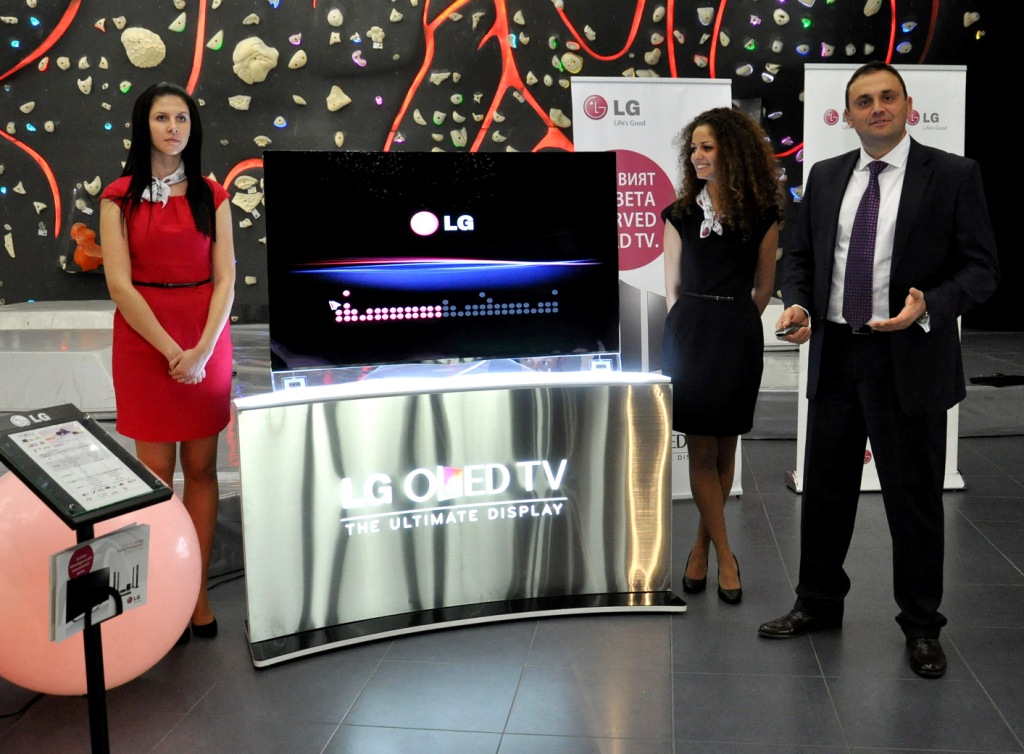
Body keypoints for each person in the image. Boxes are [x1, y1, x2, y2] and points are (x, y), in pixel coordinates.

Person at [759, 62, 999, 678]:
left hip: (909, 356)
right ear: (847, 115)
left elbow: (981, 270)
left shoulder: (953, 174)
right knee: (825, 493)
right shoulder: (825, 174)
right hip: (837, 353)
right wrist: (798, 302)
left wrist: (930, 304)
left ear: (908, 106)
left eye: (887, 97)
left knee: (913, 500)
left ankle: (921, 625)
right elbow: (801, 258)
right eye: (863, 101)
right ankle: (817, 603)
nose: (877, 108)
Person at [100, 82, 236, 642]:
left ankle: (196, 593)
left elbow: (226, 279)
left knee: (201, 471)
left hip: (206, 338)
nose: (173, 128)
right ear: (144, 125)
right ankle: (161, 594)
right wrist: (171, 351)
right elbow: (119, 285)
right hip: (144, 342)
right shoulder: (118, 197)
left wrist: (200, 350)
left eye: (182, 118)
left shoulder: (212, 194)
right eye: (162, 118)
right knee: (154, 478)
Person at [661, 108, 783, 605]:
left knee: (727, 448)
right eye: (693, 148)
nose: (697, 156)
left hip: (737, 334)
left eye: (707, 147)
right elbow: (672, 288)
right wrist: (691, 325)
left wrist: (734, 322)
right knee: (702, 449)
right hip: (689, 334)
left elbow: (764, 288)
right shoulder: (679, 214)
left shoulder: (762, 215)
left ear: (732, 152)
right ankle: (726, 556)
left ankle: (699, 547)